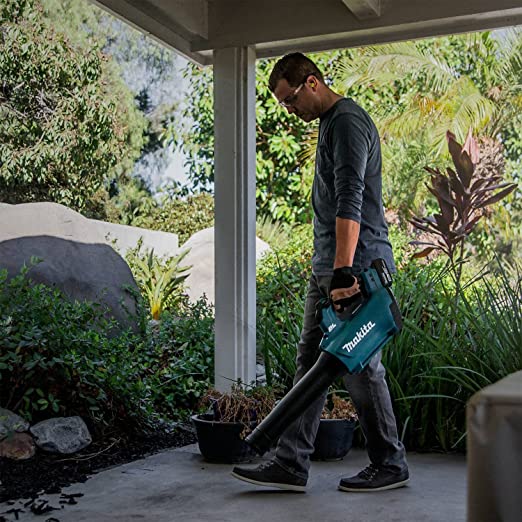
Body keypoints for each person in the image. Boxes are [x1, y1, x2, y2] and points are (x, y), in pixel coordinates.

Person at [231, 53, 409, 493]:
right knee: (310, 364)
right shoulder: (330, 125)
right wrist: (327, 269)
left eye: (291, 99)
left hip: (356, 266)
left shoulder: (347, 121)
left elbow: (351, 196)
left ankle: (389, 462)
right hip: (329, 269)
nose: (290, 110)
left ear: (313, 81)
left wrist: (344, 271)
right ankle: (290, 463)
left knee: (360, 365)